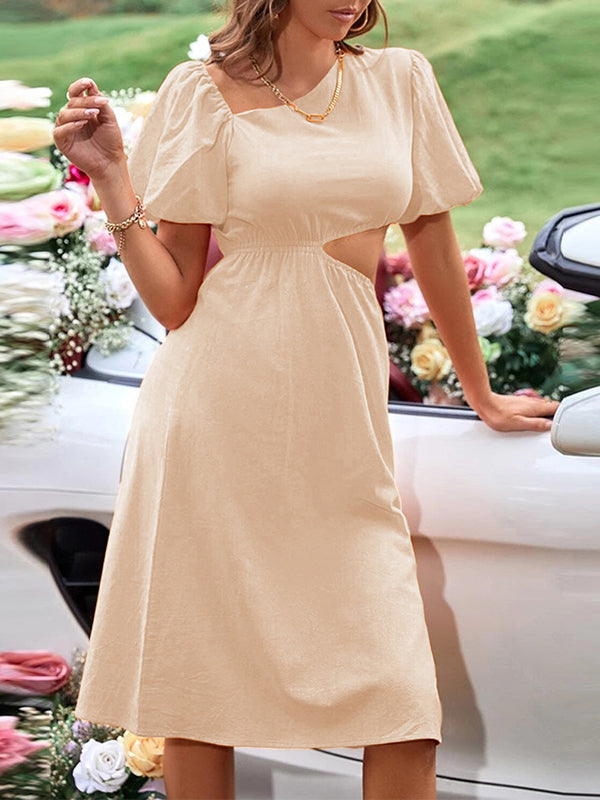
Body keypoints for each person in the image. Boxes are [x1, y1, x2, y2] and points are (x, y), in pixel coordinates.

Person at [52, 1, 560, 798]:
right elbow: (176, 298)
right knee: (200, 693)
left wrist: (482, 392)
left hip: (342, 426)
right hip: (217, 412)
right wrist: (113, 179)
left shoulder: (401, 79)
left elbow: (430, 234)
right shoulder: (199, 91)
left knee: (399, 701)